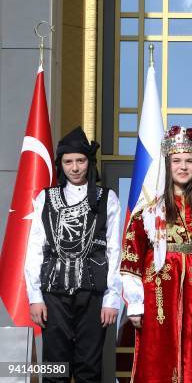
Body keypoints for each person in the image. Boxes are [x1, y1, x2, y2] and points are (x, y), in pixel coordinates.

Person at [120, 126, 192, 382]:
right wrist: (135, 302)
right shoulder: (149, 207)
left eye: (189, 161)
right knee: (156, 356)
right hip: (157, 291)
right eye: (177, 161)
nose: (183, 167)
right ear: (166, 164)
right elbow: (131, 257)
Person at [24, 127, 122, 382]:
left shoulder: (106, 198)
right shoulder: (45, 198)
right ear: (61, 164)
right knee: (54, 366)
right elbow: (35, 248)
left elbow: (114, 249)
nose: (75, 167)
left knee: (89, 367)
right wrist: (35, 296)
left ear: (89, 163)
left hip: (93, 294)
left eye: (80, 160)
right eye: (68, 161)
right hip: (53, 293)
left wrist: (112, 298)